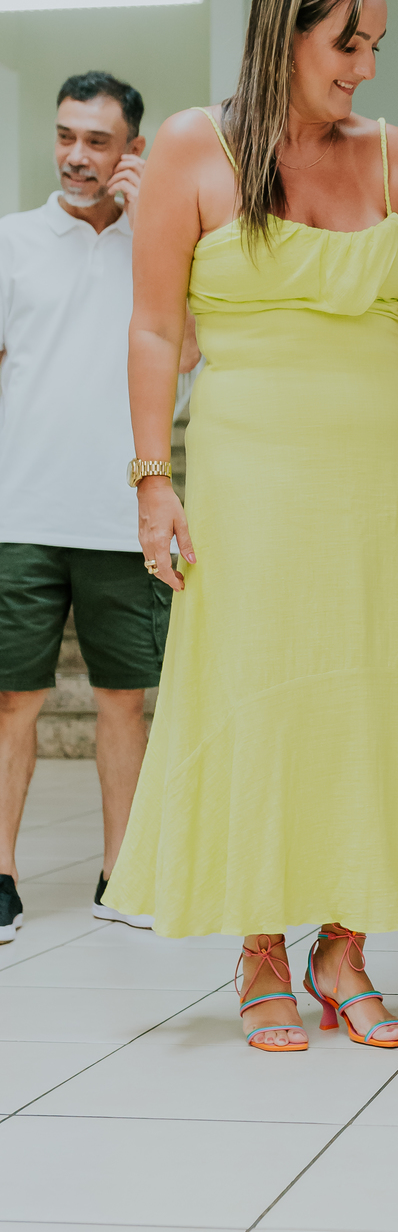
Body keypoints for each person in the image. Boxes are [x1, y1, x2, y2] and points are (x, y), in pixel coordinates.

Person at [104, 0, 398, 1053]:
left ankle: (343, 947)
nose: (367, 66)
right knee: (257, 690)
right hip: (250, 475)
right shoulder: (193, 147)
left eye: (377, 44)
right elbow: (152, 330)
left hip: (376, 478)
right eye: (348, 42)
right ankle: (260, 948)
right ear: (283, 28)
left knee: (368, 693)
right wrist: (153, 480)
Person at [0, 71, 177, 944]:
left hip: (122, 516)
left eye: (98, 141)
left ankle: (123, 873)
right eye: (66, 135)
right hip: (21, 516)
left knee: (123, 702)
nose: (76, 156)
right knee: (11, 703)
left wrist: (151, 229)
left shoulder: (161, 245)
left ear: (133, 150)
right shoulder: (12, 242)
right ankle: (0, 878)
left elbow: (187, 356)